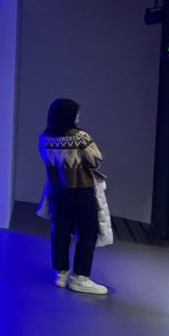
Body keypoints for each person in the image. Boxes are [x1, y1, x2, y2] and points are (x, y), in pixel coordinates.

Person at [39, 98, 108, 295]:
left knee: (60, 233)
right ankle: (81, 277)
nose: (79, 115)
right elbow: (96, 160)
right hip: (81, 191)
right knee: (87, 233)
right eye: (76, 112)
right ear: (68, 115)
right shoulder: (80, 137)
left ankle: (61, 274)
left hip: (57, 192)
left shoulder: (44, 138)